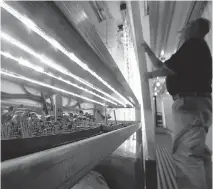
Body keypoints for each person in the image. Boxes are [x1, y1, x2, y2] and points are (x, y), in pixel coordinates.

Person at [142, 18, 212, 189]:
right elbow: (164, 66)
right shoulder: (200, 48)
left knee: (186, 155)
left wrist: (148, 75)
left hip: (190, 104)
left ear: (195, 28)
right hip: (198, 104)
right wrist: (146, 50)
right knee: (198, 153)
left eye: (188, 26)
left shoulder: (192, 45)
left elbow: (166, 69)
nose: (184, 30)